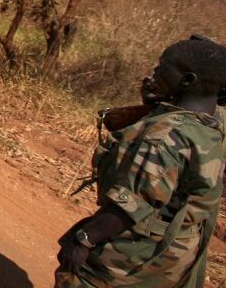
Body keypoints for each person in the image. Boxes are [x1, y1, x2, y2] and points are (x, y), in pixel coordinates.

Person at [55, 37, 226, 288]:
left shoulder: (164, 137)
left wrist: (85, 239)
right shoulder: (213, 122)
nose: (153, 73)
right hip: (177, 256)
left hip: (133, 254)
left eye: (161, 67)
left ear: (188, 80)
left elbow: (130, 205)